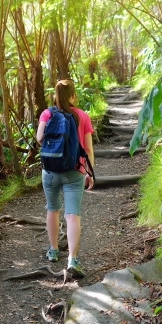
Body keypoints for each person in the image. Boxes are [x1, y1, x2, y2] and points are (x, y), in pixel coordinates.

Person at [36, 79, 95, 278]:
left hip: (50, 171)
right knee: (72, 215)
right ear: (72, 95)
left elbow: (39, 138)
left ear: (55, 95)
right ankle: (72, 259)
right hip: (75, 171)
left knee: (52, 210)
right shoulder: (83, 116)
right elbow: (87, 149)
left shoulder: (47, 113)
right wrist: (89, 172)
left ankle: (53, 251)